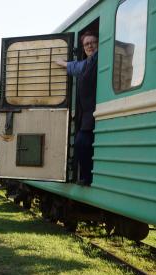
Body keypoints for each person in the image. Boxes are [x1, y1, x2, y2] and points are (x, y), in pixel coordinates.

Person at [56, 31, 98, 186]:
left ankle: (88, 178)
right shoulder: (87, 63)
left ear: (99, 43)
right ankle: (88, 177)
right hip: (87, 115)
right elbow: (76, 66)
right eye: (86, 44)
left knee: (81, 143)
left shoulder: (98, 59)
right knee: (83, 144)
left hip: (93, 113)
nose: (90, 46)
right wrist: (62, 63)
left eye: (93, 42)